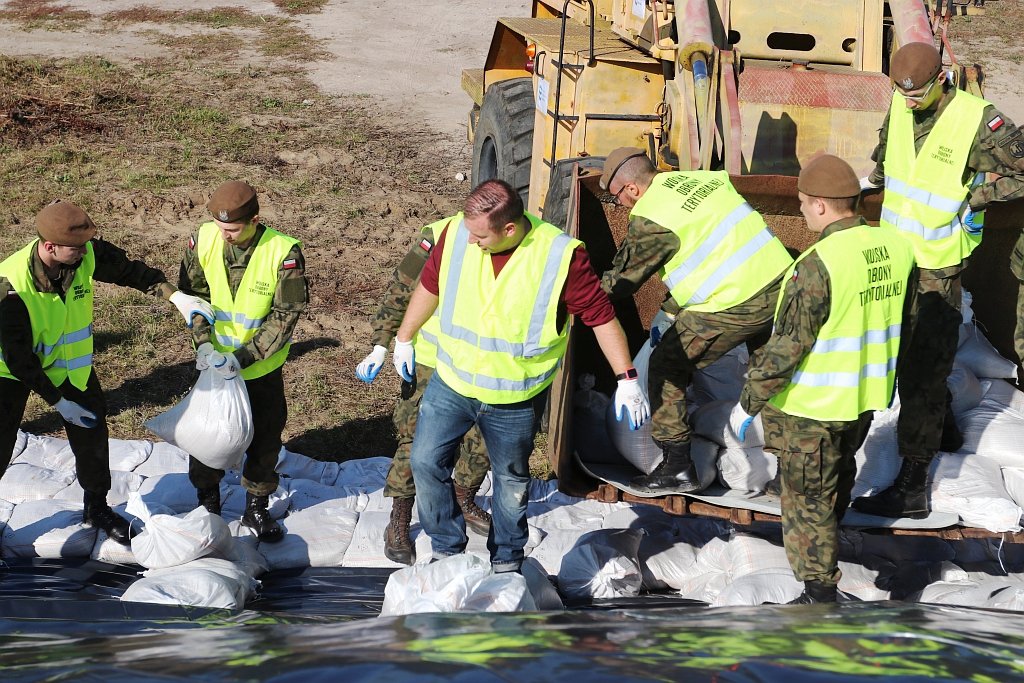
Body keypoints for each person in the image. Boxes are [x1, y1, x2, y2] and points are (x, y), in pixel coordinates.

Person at [393, 179, 648, 573]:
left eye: (481, 236)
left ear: (509, 229)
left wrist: (627, 378)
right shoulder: (457, 235)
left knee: (510, 484)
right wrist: (404, 338)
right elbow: (430, 285)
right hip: (453, 383)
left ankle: (507, 559)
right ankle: (446, 550)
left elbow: (601, 317)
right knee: (425, 462)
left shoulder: (559, 256)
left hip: (514, 398)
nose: (471, 241)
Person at [731, 155, 916, 603]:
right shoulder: (896, 247)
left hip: (812, 408)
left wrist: (748, 400)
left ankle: (818, 595)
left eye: (801, 203)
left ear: (820, 206)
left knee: (805, 500)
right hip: (863, 397)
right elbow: (907, 324)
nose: (798, 211)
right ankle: (828, 563)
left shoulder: (818, 264)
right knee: (837, 477)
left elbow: (789, 346)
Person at [854, 42, 1024, 519]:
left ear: (942, 79)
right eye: (902, 94)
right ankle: (943, 428)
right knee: (897, 359)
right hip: (894, 258)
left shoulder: (977, 119)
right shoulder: (900, 102)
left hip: (936, 269)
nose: (909, 101)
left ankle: (912, 486)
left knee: (922, 372)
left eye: (919, 94)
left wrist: (982, 197)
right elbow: (888, 158)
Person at [0, 200, 214, 544]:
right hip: (10, 375)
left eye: (87, 245)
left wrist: (176, 298)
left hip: (74, 368)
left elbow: (130, 271)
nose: (85, 253)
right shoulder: (11, 287)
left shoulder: (85, 255)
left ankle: (96, 507)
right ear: (49, 246)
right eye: (76, 248)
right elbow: (18, 358)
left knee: (93, 439)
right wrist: (57, 403)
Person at [598, 147, 794, 492]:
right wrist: (672, 305)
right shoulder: (702, 180)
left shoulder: (652, 215)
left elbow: (621, 281)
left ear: (631, 189)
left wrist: (578, 300)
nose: (622, 207)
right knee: (771, 376)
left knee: (667, 366)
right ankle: (788, 471)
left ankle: (677, 465)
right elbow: (713, 246)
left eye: (617, 199)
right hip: (780, 284)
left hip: (738, 301)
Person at [355, 214, 492, 566]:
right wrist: (382, 345)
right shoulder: (438, 234)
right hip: (430, 362)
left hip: (485, 363)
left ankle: (463, 496)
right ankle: (399, 517)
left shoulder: (523, 240)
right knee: (415, 441)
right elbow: (402, 289)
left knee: (482, 440)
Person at [178, 180, 308, 542]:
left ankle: (256, 507)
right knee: (206, 435)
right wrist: (203, 343)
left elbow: (285, 314)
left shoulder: (283, 253)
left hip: (260, 368)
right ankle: (207, 503)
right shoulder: (202, 240)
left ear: (254, 219)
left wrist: (243, 358)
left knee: (265, 438)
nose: (225, 235)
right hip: (212, 364)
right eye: (220, 227)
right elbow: (193, 297)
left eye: (233, 229)